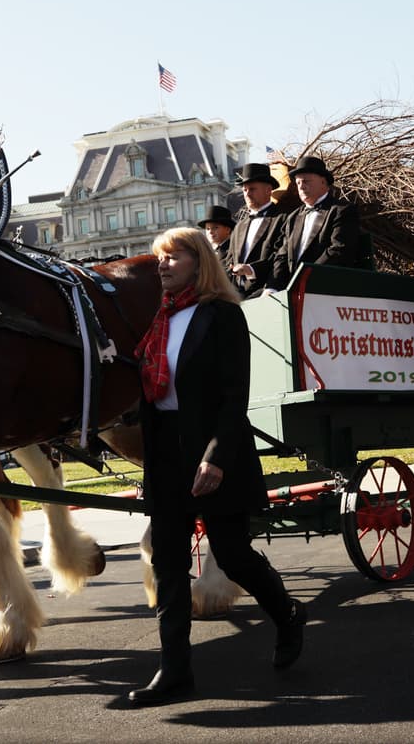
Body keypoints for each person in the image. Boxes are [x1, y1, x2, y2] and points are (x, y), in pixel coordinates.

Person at [128, 226, 306, 707]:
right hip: (166, 451)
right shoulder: (159, 318)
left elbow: (234, 397)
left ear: (199, 262)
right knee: (168, 562)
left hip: (211, 449)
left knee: (231, 555)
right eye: (159, 257)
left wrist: (215, 458)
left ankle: (287, 614)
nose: (162, 264)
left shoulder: (222, 315)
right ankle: (174, 672)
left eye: (173, 256)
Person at [269, 155, 362, 288]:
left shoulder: (342, 211)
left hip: (325, 285)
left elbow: (338, 251)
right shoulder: (293, 217)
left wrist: (304, 279)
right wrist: (273, 286)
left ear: (323, 182)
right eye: (298, 183)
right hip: (292, 287)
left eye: (306, 181)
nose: (301, 187)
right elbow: (282, 255)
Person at [226, 163, 288, 297]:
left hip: (268, 292)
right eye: (245, 190)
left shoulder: (283, 219)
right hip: (237, 297)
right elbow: (229, 262)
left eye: (252, 189)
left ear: (268, 190)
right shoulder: (239, 226)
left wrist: (251, 269)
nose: (247, 194)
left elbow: (282, 257)